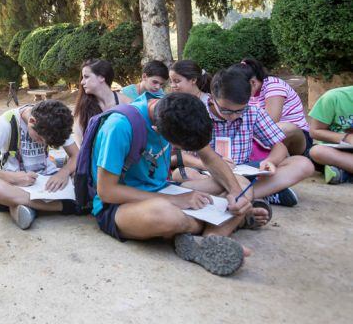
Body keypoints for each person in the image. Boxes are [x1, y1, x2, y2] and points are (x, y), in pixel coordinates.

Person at [90, 92, 260, 276]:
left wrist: (235, 194)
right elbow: (107, 191)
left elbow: (210, 158)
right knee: (166, 214)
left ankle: (210, 238)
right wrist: (176, 200)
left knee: (241, 183)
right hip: (120, 206)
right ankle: (230, 222)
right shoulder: (119, 127)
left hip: (163, 190)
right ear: (157, 130)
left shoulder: (179, 112)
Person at [202, 66, 314, 206]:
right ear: (212, 97)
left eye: (240, 110)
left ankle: (232, 197)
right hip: (209, 174)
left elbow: (278, 145)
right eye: (226, 111)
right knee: (185, 174)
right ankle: (263, 192)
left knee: (303, 164)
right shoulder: (199, 113)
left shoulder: (253, 112)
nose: (234, 116)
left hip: (245, 170)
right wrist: (213, 165)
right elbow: (183, 157)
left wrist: (271, 161)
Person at [0, 100, 80, 230]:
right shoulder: (7, 122)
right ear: (32, 122)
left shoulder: (56, 123)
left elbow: (76, 155)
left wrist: (63, 173)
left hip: (49, 179)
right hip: (17, 184)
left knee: (84, 174)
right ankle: (63, 206)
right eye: (40, 139)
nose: (43, 144)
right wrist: (13, 178)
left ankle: (20, 206)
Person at [239, 58, 312, 158]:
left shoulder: (274, 86)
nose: (240, 92)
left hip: (298, 138)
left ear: (253, 82)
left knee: (283, 129)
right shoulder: (250, 92)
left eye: (242, 88)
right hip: (265, 138)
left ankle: (276, 159)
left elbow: (270, 122)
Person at [168, 60, 212, 180]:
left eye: (177, 81)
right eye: (171, 81)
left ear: (193, 80)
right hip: (185, 164)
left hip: (206, 159)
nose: (172, 85)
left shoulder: (210, 104)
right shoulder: (172, 104)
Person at [73, 59, 131, 144]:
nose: (82, 82)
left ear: (101, 77)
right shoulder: (82, 108)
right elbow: (79, 143)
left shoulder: (127, 104)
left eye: (86, 77)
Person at [308, 86, 353, 184]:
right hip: (337, 149)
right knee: (317, 152)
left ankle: (342, 173)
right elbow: (315, 131)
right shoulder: (334, 97)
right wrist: (347, 138)